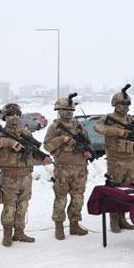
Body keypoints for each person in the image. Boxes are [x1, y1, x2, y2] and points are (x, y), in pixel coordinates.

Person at [0, 103, 52, 246]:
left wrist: (43, 159)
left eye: (17, 114)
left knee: (23, 206)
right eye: (10, 115)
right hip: (9, 176)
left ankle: (19, 233)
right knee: (9, 206)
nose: (14, 117)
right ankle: (7, 235)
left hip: (26, 176)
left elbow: (33, 152)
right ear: (5, 117)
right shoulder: (1, 132)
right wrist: (9, 142)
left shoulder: (26, 133)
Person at [94, 84, 134, 232]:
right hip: (116, 160)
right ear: (115, 104)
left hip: (132, 160)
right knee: (115, 190)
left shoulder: (131, 119)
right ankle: (114, 220)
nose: (124, 107)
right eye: (121, 104)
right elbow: (98, 128)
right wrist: (120, 132)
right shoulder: (108, 118)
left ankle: (122, 218)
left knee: (128, 190)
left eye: (126, 104)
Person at [43, 94, 91, 240]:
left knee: (78, 198)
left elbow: (87, 142)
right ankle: (59, 226)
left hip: (79, 167)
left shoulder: (79, 125)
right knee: (61, 198)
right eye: (64, 109)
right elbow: (47, 145)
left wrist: (87, 151)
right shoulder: (54, 127)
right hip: (62, 168)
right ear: (58, 110)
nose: (68, 112)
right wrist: (62, 139)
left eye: (70, 110)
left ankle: (74, 224)